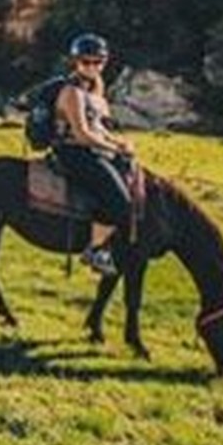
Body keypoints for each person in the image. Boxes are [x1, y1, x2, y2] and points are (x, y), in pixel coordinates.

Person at [51, 33, 135, 276]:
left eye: (98, 62)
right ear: (75, 62)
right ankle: (95, 249)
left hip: (92, 147)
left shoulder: (96, 89)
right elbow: (82, 134)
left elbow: (99, 127)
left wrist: (119, 142)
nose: (92, 67)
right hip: (73, 152)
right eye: (86, 62)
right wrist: (114, 148)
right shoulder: (72, 93)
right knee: (120, 202)